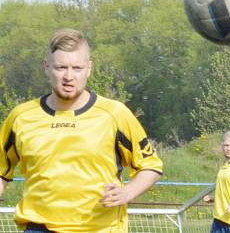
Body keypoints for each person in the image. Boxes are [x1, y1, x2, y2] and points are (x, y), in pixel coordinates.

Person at [0, 28, 163, 232]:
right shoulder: (20, 117)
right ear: (46, 67)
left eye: (77, 68)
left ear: (89, 68)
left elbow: (151, 165)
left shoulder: (114, 114)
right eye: (61, 67)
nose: (69, 76)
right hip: (38, 227)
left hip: (100, 228)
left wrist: (128, 191)